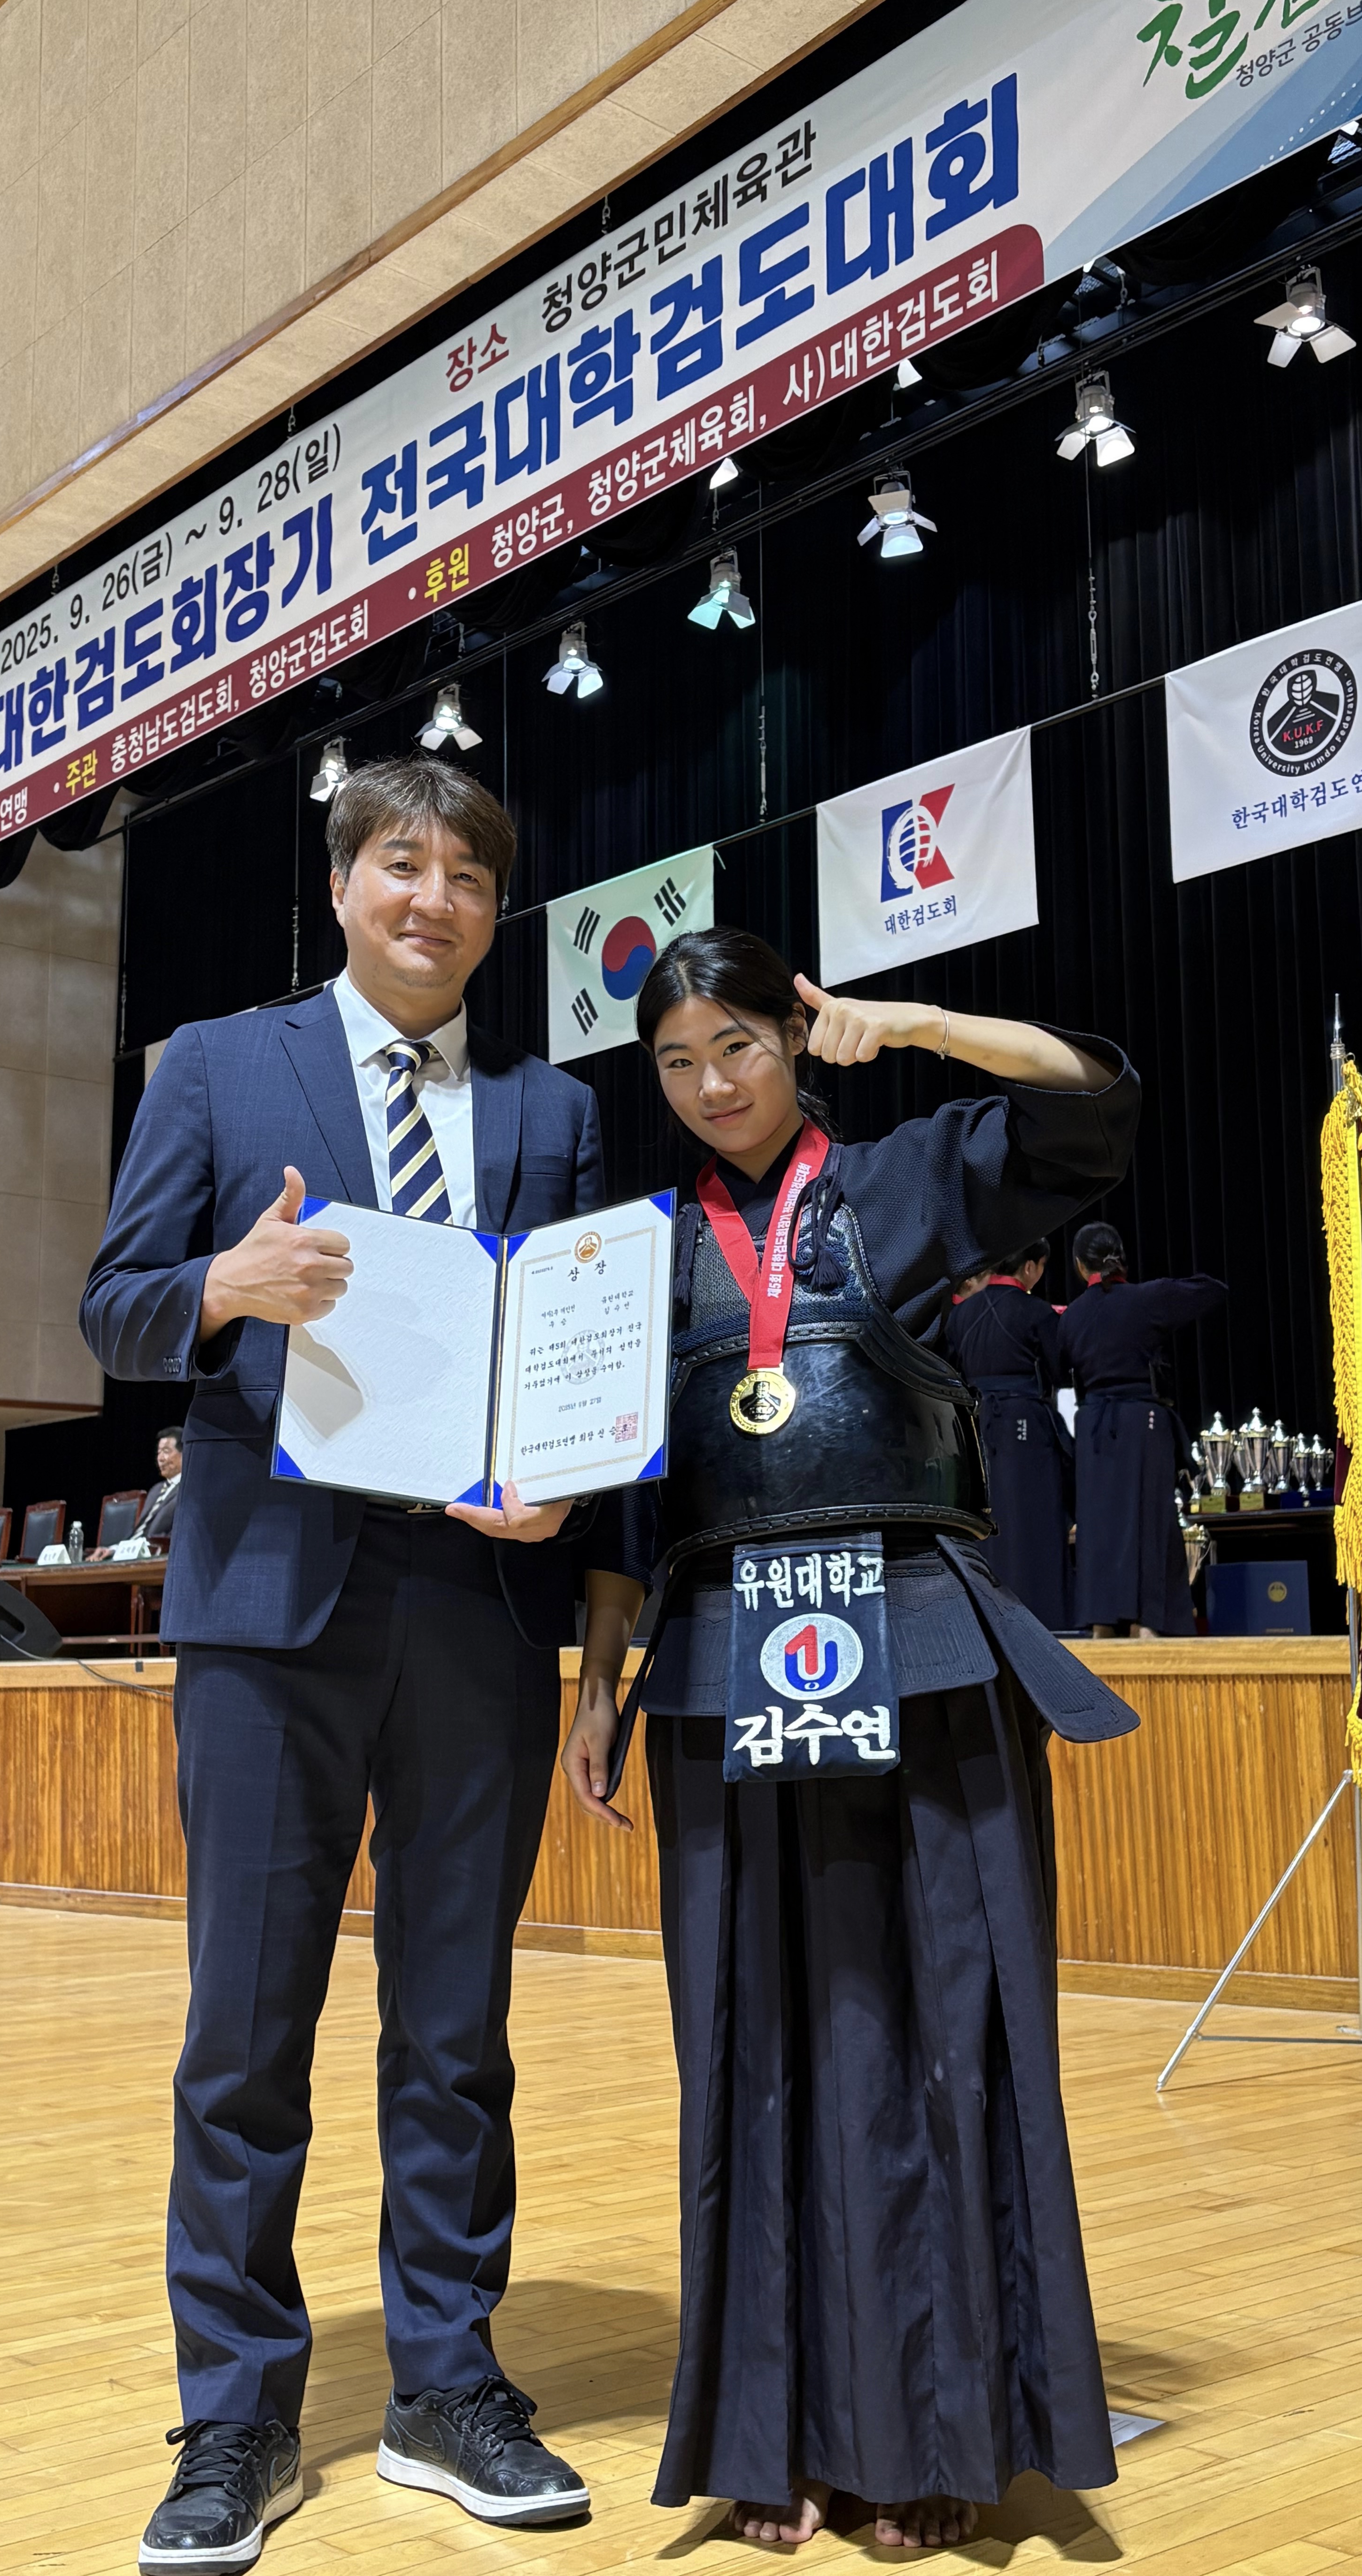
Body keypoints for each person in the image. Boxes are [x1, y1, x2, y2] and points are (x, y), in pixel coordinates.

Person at [82, 759, 620, 2573]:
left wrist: (561, 1495)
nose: (436, 898)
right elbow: (113, 1303)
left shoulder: (551, 1110)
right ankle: (232, 2412)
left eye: (471, 872)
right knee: (244, 2029)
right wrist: (225, 1282)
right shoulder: (222, 1065)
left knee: (455, 2029)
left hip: (477, 1614)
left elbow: (580, 1356)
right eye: (404, 863)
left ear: (493, 909)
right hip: (265, 1606)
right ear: (342, 883)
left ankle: (444, 2381)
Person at [563, 929, 1143, 2554]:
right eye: (678, 1063)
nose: (713, 1086)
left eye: (738, 1045)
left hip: (918, 1643)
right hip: (718, 1659)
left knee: (935, 2024)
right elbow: (623, 1497)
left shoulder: (905, 1179)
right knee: (750, 2041)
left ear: (794, 1038)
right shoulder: (644, 1252)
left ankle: (941, 2429)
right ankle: (772, 2430)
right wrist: (598, 1680)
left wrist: (929, 1023)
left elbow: (1091, 1107)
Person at [1058, 1220, 1226, 1639]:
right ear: (1120, 1259)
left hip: (1092, 1425)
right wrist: (1160, 1289)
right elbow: (1212, 1289)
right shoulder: (1147, 1299)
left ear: (1080, 1267)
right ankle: (1147, 1624)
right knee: (1147, 1519)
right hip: (1139, 1421)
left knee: (1098, 1526)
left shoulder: (1071, 1317)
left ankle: (1101, 1623)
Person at [945, 1241, 1072, 1629]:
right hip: (1025, 1422)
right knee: (1033, 1515)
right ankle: (1042, 1614)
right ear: (1031, 1267)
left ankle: (984, 1614)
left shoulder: (959, 1316)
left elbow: (951, 1373)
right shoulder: (1038, 1313)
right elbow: (1059, 1373)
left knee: (985, 1517)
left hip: (973, 1426)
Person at [89, 1425, 183, 1559]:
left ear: (184, 1453)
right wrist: (113, 1550)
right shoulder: (156, 1490)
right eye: (159, 1452)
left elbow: (174, 1538)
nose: (160, 1458)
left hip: (156, 1557)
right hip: (133, 1554)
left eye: (166, 1451)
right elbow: (138, 1535)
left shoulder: (188, 1490)